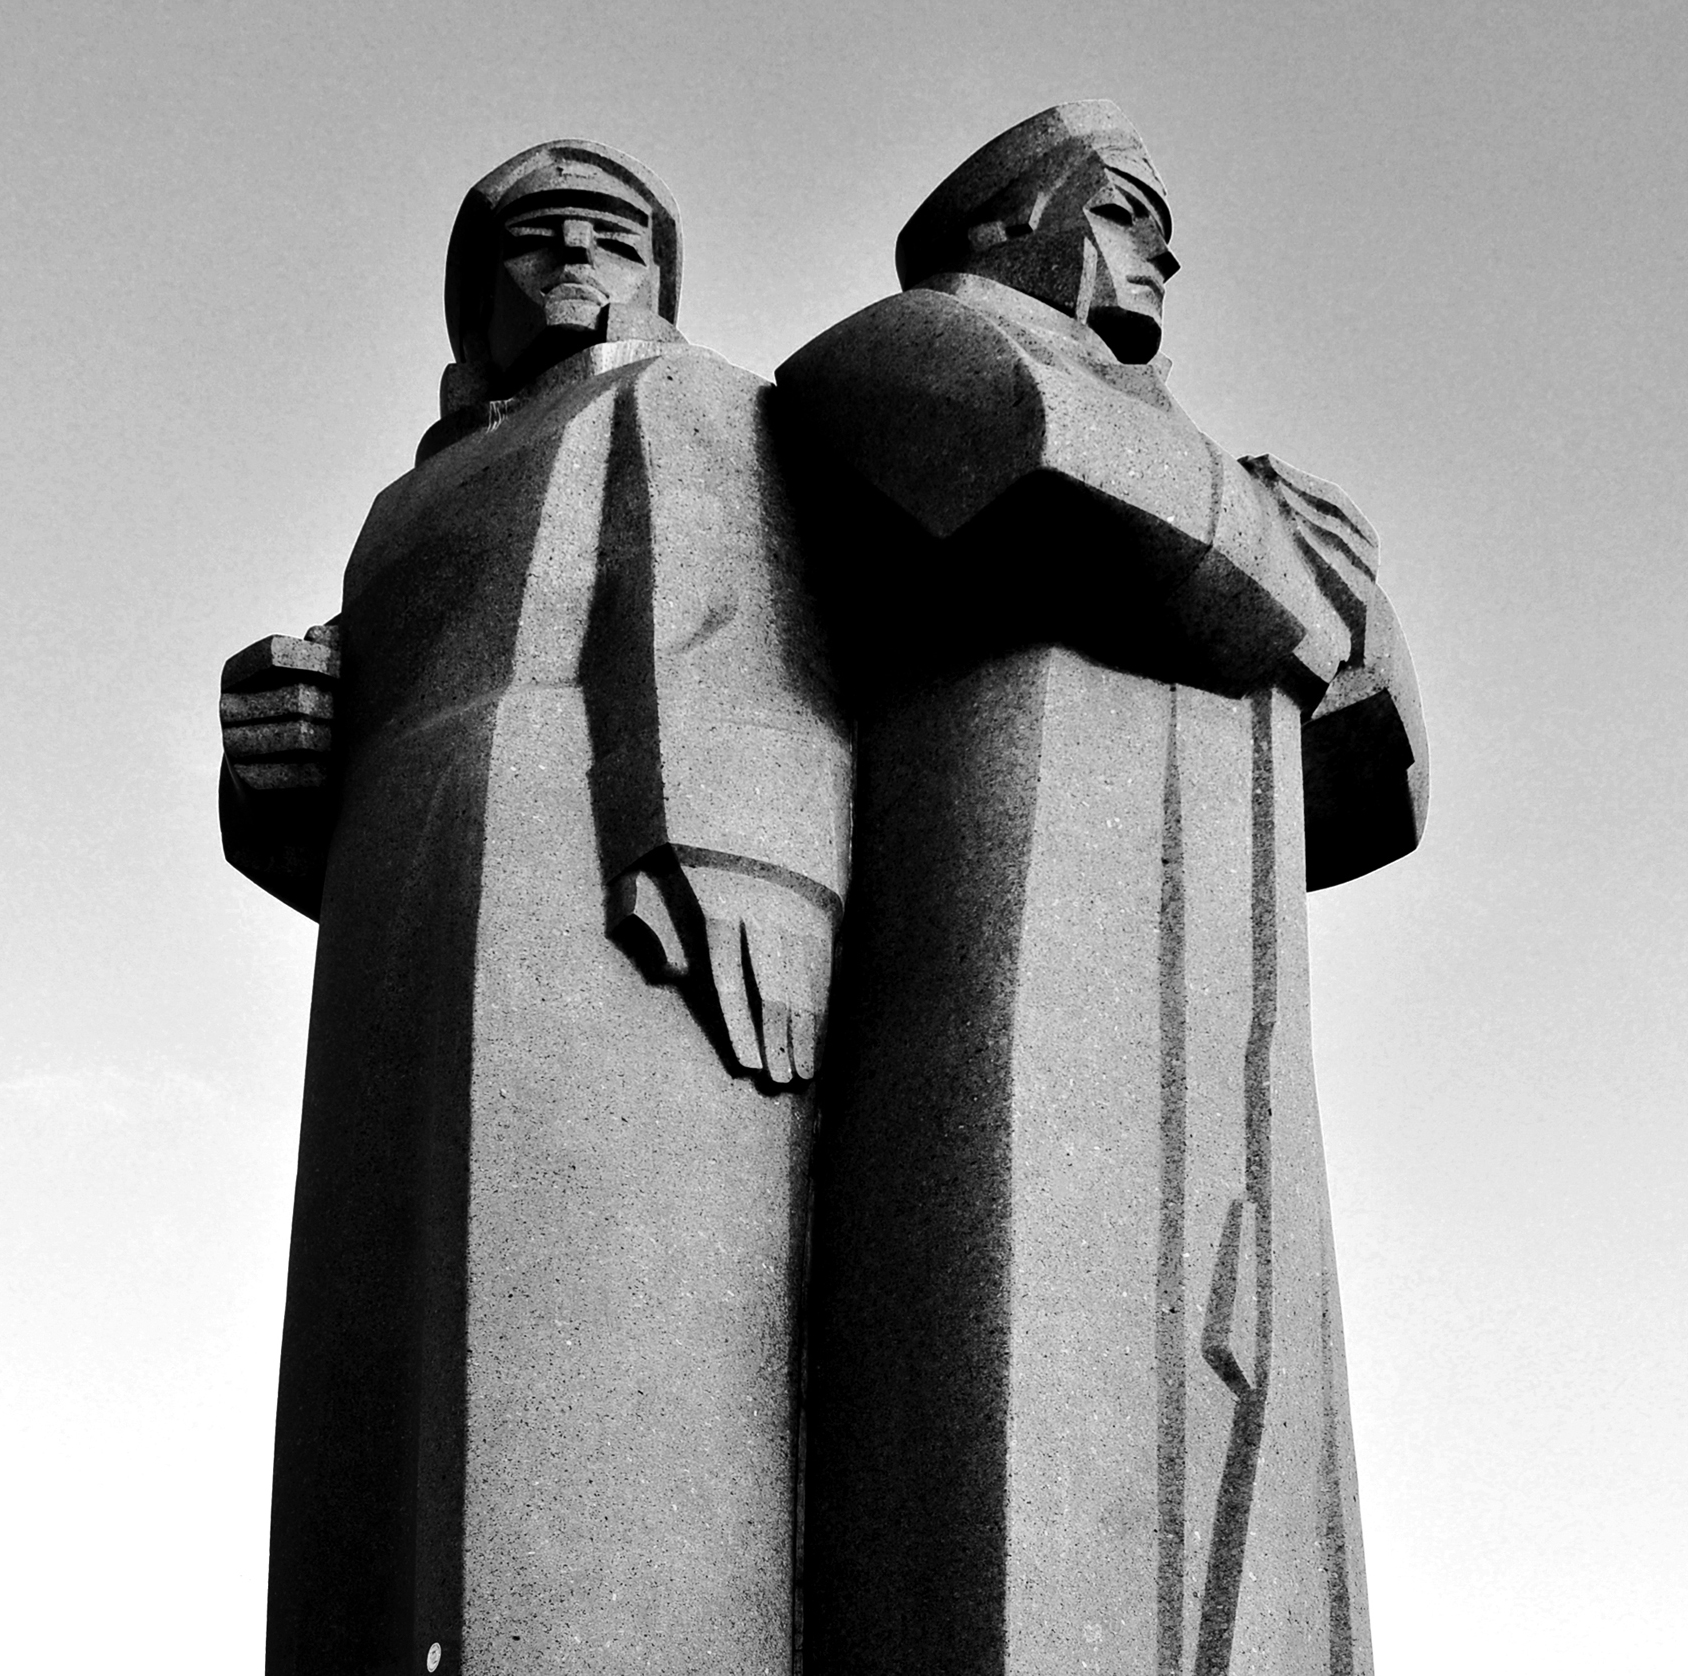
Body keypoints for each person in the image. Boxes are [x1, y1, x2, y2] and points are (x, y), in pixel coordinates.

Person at [777, 101, 1425, 1675]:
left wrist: (1357, 611)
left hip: (1225, 955)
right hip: (1015, 886)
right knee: (1033, 1317)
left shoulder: (1193, 453)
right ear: (1011, 220)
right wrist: (1288, 562)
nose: (1163, 256)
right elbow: (1043, 473)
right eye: (1128, 210)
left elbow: (1375, 795)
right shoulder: (899, 348)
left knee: (1247, 1365)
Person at [221, 139, 849, 1676]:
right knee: (382, 1342)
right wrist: (279, 761)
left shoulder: (682, 399)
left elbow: (728, 619)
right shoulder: (401, 503)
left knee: (582, 1304)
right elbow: (317, 805)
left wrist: (754, 859)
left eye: (611, 234)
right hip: (403, 895)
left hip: (601, 862)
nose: (574, 255)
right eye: (534, 236)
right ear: (471, 293)